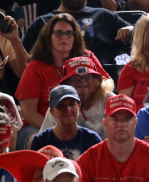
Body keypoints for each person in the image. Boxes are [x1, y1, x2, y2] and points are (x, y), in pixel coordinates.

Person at [16, 11, 108, 147]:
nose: (64, 37)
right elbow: (28, 112)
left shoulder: (87, 58)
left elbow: (106, 87)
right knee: (41, 142)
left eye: (69, 33)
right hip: (38, 125)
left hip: (85, 122)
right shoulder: (36, 66)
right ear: (48, 36)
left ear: (75, 37)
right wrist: (59, 129)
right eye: (58, 33)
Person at [39, 56, 113, 139]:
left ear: (96, 81)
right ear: (67, 83)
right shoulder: (58, 106)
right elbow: (44, 141)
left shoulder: (110, 101)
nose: (82, 80)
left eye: (88, 76)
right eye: (75, 77)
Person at [30, 85, 101, 159]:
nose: (68, 109)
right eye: (61, 106)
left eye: (72, 104)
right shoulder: (40, 141)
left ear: (78, 107)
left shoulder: (92, 139)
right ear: (52, 112)